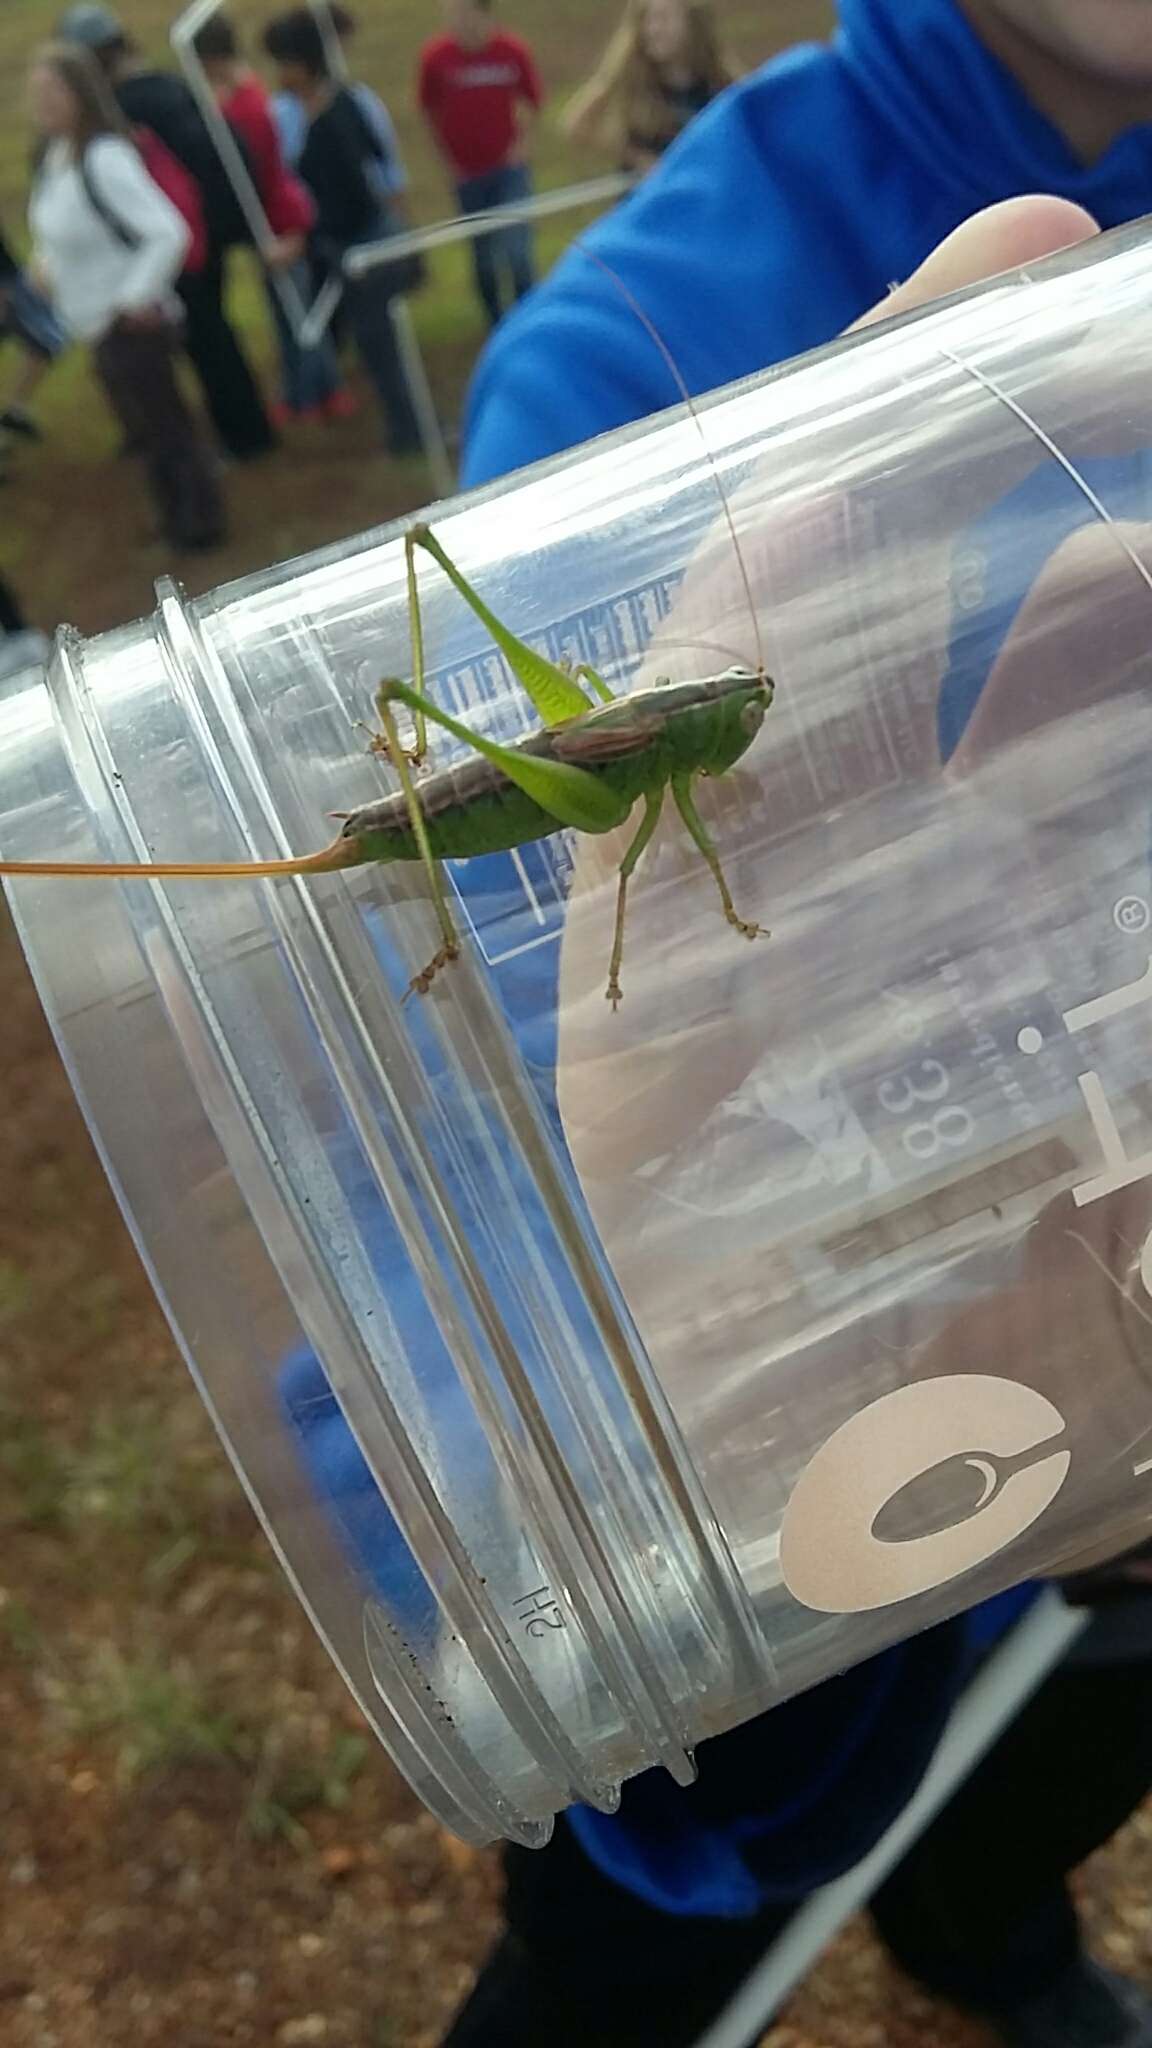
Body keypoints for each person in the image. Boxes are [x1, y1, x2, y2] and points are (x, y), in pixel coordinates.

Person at [441, 2, 1152, 2044]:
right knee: (632, 1959)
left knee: (1062, 1757)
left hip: (1114, 1439)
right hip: (791, 1538)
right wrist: (736, 1495)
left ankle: (995, 1928)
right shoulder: (620, 360)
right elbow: (520, 1151)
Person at [27, 41, 224, 554]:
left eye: (53, 91)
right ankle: (176, 519)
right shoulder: (54, 159)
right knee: (145, 433)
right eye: (37, 93)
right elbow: (59, 231)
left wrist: (131, 300)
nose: (43, 103)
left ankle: (199, 524)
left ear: (80, 93)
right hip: (96, 326)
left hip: (131, 327)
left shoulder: (105, 157)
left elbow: (168, 232)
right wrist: (45, 269)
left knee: (167, 430)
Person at [57, 2, 276, 461]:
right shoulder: (170, 86)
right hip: (204, 235)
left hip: (174, 244)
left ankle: (242, 438)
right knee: (212, 333)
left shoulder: (123, 111)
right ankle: (244, 431)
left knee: (203, 341)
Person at [262, 7, 421, 457]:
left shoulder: (346, 110)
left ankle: (407, 432)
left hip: (364, 246)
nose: (279, 72)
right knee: (356, 336)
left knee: (380, 343)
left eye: (284, 61)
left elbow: (375, 179)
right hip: (340, 244)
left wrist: (399, 233)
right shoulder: (299, 112)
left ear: (305, 62)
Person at [191, 11, 354, 428]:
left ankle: (320, 391)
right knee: (290, 311)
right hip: (274, 220)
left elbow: (265, 173)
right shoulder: (244, 97)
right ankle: (307, 390)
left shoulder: (246, 107)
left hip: (280, 221)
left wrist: (289, 234)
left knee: (299, 315)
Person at [417, 0, 542, 328]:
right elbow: (427, 109)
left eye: (463, 14)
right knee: (483, 258)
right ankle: (498, 325)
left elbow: (532, 99)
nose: (457, 22)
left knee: (517, 251)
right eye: (451, 14)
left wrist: (521, 145)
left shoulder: (511, 51)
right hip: (468, 175)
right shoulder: (436, 57)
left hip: (509, 171)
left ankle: (530, 320)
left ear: (483, 13)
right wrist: (446, 161)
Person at [563, 0, 738, 176]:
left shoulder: (716, 76)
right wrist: (639, 159)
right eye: (646, 19)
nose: (653, 30)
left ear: (692, 22)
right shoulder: (629, 71)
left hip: (697, 193)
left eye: (664, 19)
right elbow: (577, 124)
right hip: (648, 197)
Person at [0, 212, 66, 461]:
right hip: (7, 287)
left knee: (48, 339)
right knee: (47, 338)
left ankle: (15, 412)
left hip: (10, 284)